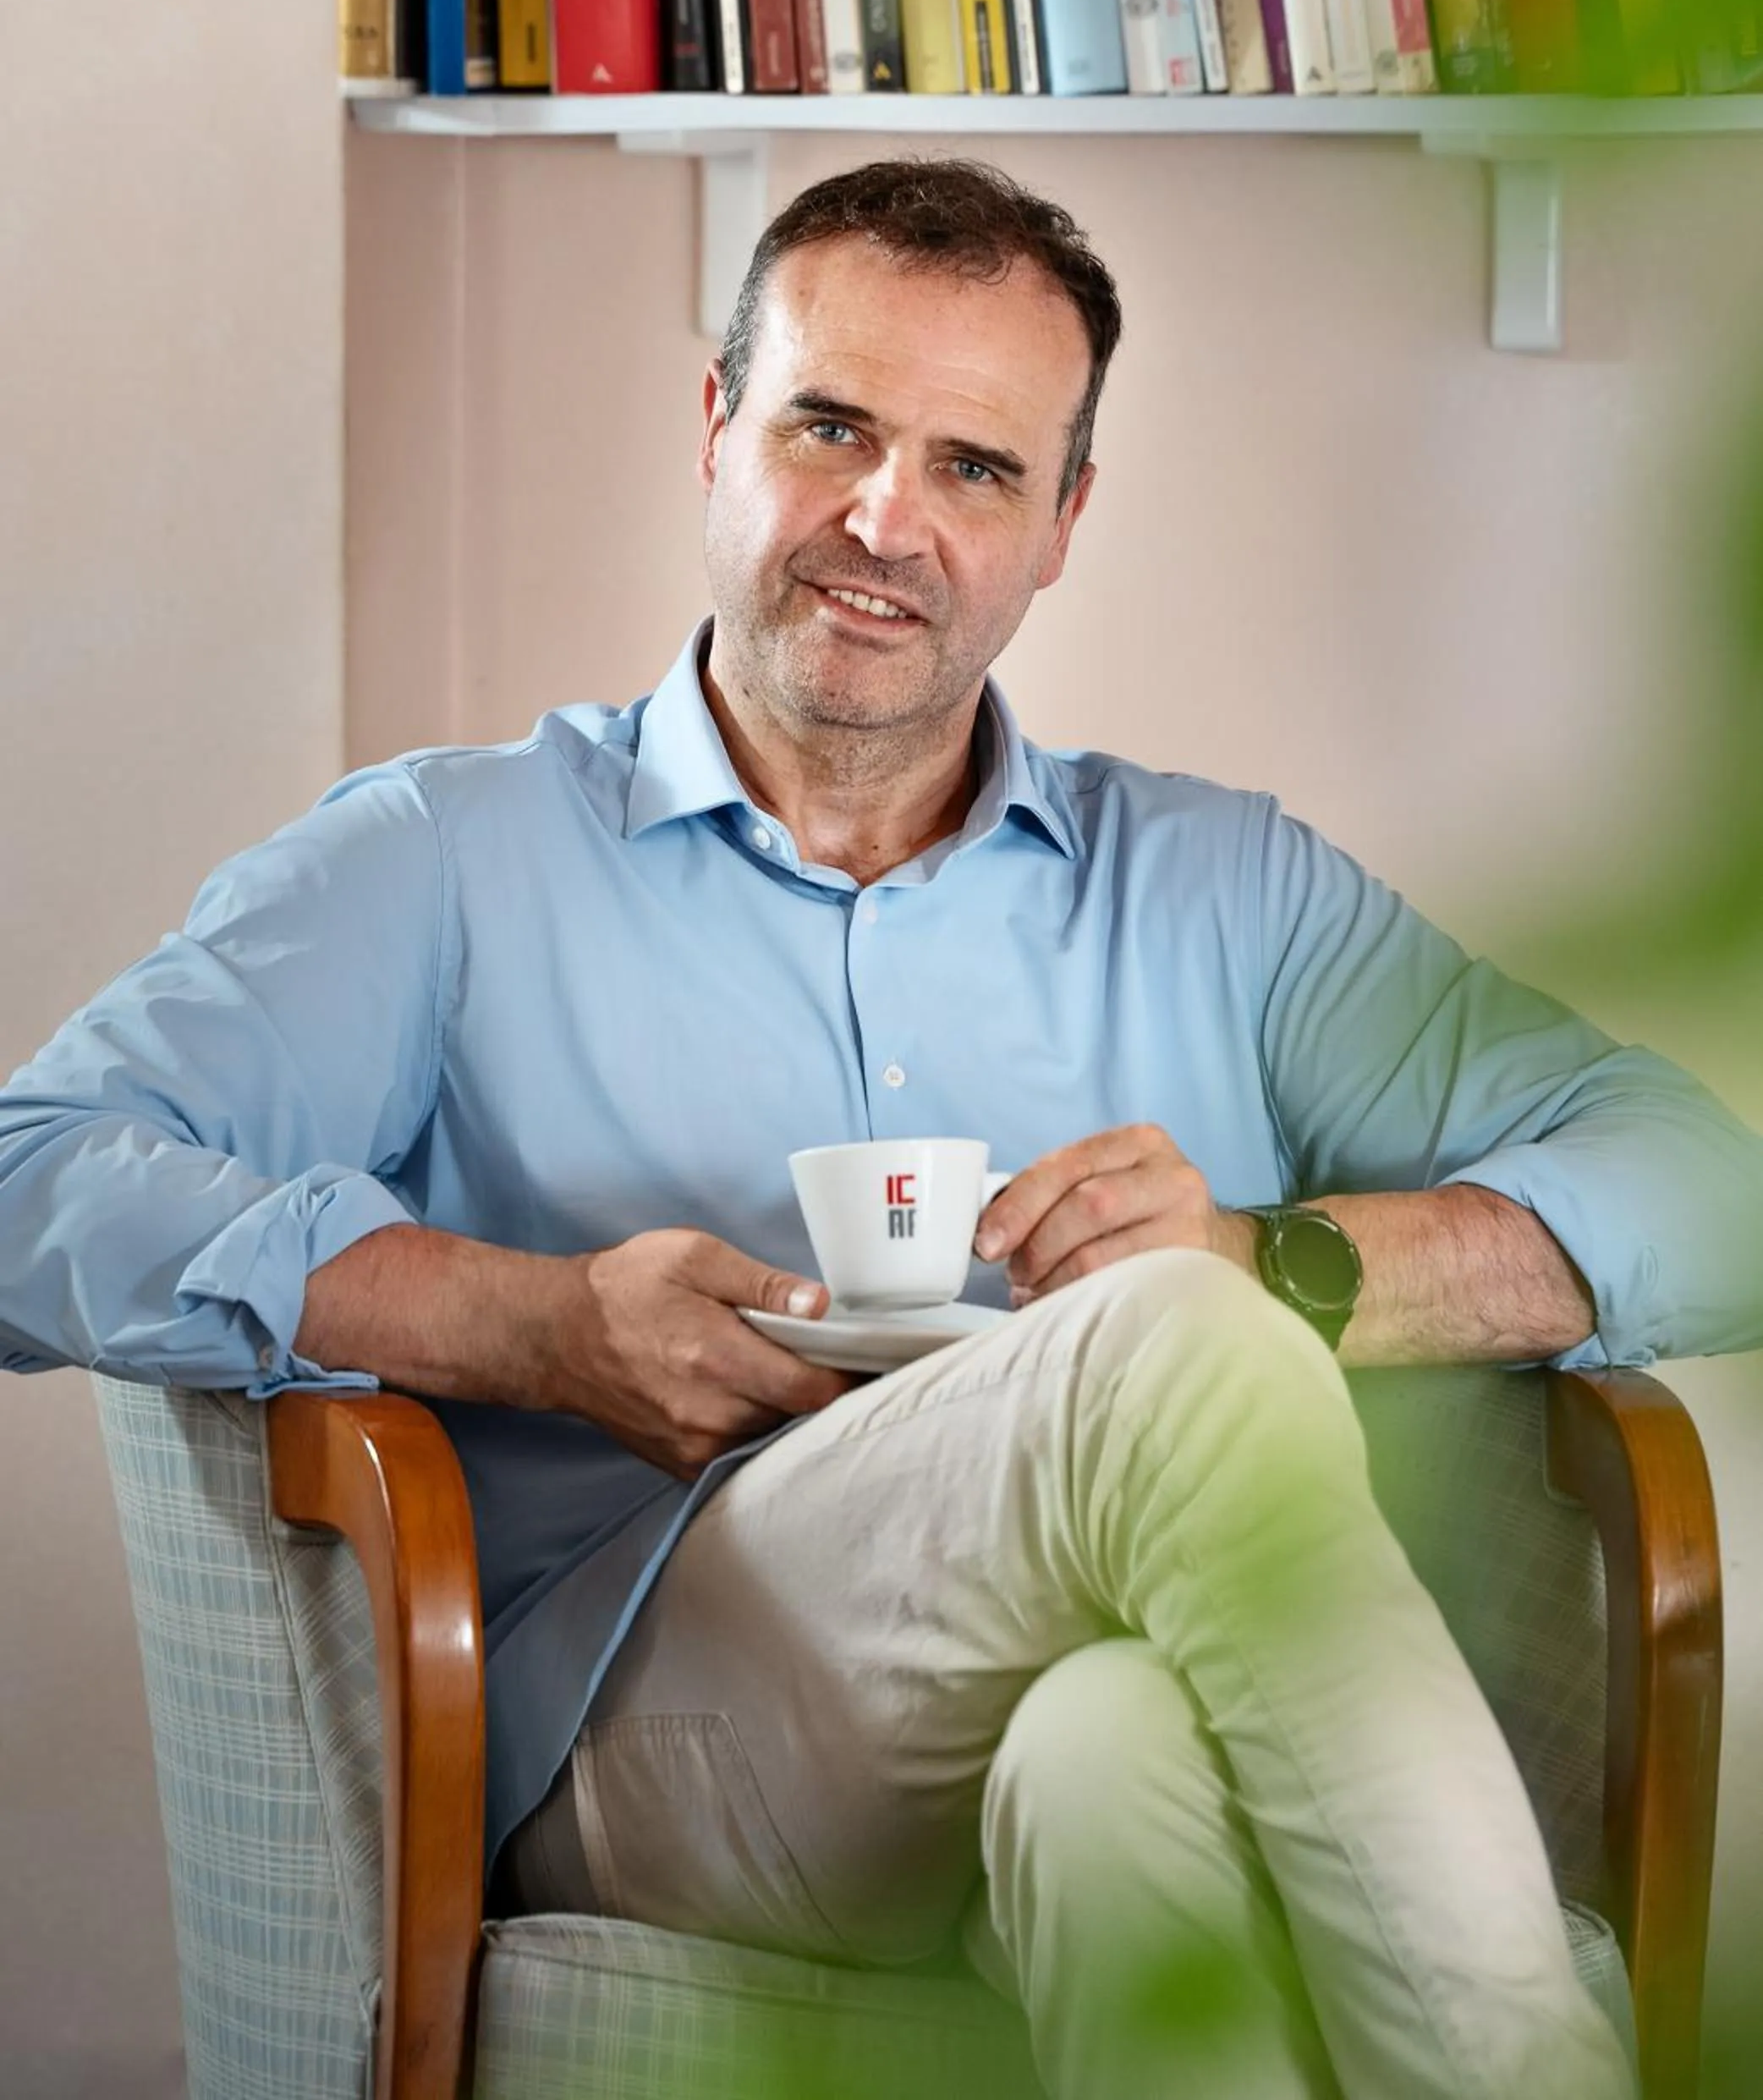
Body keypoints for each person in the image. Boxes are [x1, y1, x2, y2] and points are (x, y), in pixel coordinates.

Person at [3, 158, 1759, 2100]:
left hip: (1103, 1704)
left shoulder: (1223, 892)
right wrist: (532, 1322)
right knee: (1166, 1352)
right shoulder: (446, 862)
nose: (883, 521)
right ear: (715, 429)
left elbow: (1710, 1189)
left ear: (1063, 525)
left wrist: (1292, 1264)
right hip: (660, 1747)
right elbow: (34, 1176)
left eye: (975, 469)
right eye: (828, 426)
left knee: (1118, 1770)